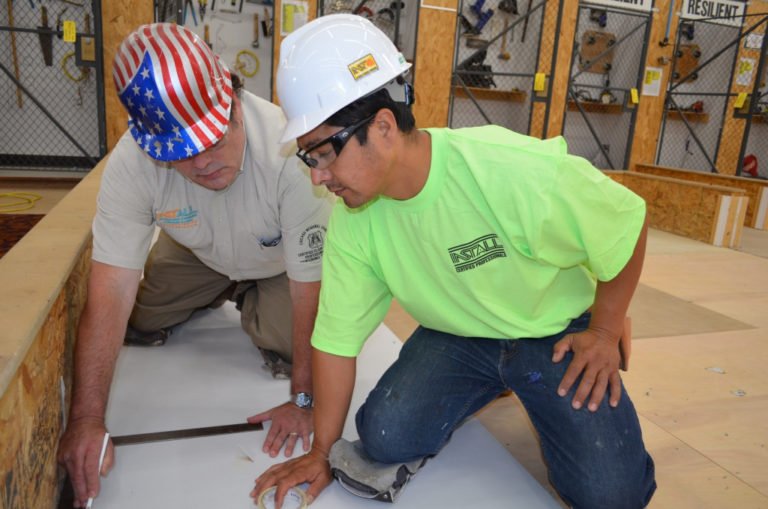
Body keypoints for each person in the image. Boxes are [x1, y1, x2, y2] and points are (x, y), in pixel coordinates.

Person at [252, 14, 656, 509]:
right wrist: (321, 451)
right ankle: (491, 381)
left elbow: (626, 223)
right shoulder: (355, 219)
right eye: (307, 157)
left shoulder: (508, 170)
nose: (319, 177)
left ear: (381, 127)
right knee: (382, 437)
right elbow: (335, 340)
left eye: (322, 152)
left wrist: (605, 330)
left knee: (612, 498)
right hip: (459, 334)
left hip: (553, 331)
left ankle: (548, 361)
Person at [57, 23, 334, 507]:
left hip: (276, 263)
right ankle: (220, 286)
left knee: (288, 341)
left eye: (211, 138)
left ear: (230, 93)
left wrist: (304, 400)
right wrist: (85, 421)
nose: (201, 162)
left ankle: (248, 292)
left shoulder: (291, 155)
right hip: (195, 252)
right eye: (179, 153)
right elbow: (109, 297)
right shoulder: (130, 166)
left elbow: (309, 295)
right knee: (141, 318)